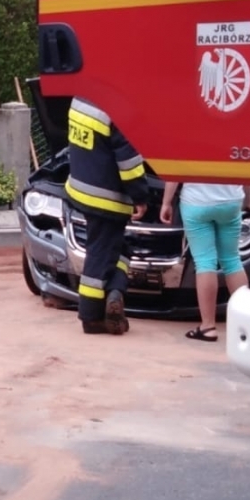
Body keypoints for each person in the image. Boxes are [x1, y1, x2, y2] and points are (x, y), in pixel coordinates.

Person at [63, 98, 150, 335]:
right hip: (108, 198)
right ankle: (90, 318)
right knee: (100, 255)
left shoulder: (79, 100)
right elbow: (130, 164)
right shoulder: (117, 108)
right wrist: (141, 196)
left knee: (120, 250)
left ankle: (115, 292)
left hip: (82, 189)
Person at [160, 180, 250, 342]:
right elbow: (244, 169)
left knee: (205, 263)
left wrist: (166, 202)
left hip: (196, 202)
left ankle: (208, 327)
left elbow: (174, 171)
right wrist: (248, 200)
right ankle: (249, 324)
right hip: (231, 202)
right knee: (232, 260)